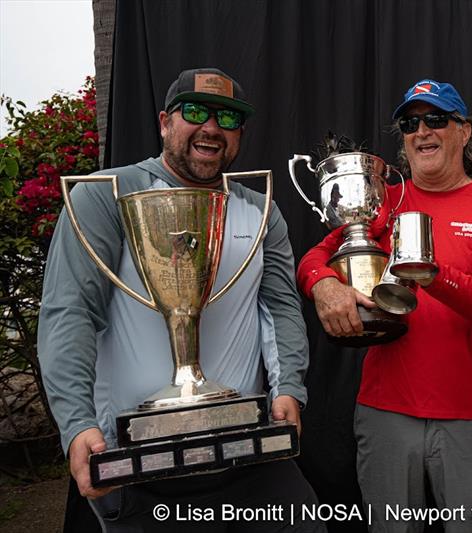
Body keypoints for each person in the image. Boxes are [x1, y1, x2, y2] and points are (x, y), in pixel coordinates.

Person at [38, 67, 325, 532]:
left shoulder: (260, 209)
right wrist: (77, 423)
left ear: (240, 133)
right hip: (140, 465)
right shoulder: (105, 196)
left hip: (248, 455)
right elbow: (70, 313)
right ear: (165, 122)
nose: (211, 127)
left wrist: (290, 387)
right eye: (194, 111)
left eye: (228, 118)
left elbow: (279, 308)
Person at [297, 79, 472, 532]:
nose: (422, 131)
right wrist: (324, 287)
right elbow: (314, 259)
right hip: (386, 413)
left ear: (464, 131)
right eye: (410, 123)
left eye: (436, 119)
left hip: (470, 415)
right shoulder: (381, 202)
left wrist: (432, 273)